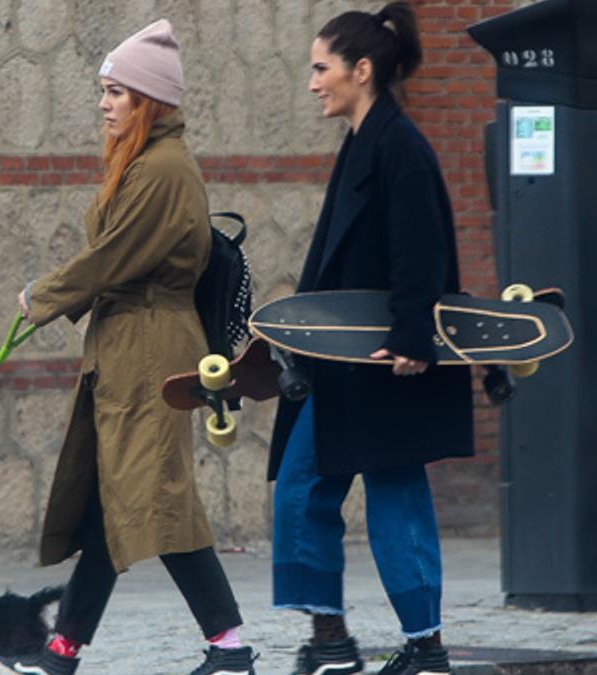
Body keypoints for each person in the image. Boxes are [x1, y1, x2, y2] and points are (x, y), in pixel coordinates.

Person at [0, 19, 256, 675]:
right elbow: (114, 261)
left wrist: (43, 297)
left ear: (149, 100)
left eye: (116, 91)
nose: (104, 103)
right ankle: (63, 650)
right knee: (118, 499)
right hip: (129, 345)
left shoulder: (163, 170)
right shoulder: (146, 163)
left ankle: (231, 647)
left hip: (152, 352)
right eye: (104, 90)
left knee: (157, 500)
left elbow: (111, 257)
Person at [269, 3, 474, 675]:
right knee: (303, 487)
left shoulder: (400, 145)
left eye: (320, 68)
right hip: (344, 361)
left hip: (390, 360)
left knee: (394, 493)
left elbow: (421, 251)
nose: (312, 83)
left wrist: (415, 339)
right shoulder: (365, 141)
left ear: (362, 70)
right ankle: (331, 638)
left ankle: (426, 646)